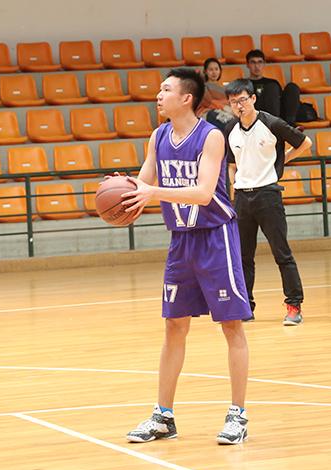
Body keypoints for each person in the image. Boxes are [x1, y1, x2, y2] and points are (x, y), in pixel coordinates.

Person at [121, 68, 252, 445]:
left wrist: (152, 193)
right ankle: (163, 417)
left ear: (186, 98)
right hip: (181, 240)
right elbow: (144, 181)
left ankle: (237, 416)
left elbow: (204, 193)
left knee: (231, 326)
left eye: (165, 90)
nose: (158, 95)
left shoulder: (211, 137)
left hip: (216, 238)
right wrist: (123, 190)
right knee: (174, 326)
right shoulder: (158, 135)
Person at [223, 79, 311, 325]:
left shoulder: (271, 123)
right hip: (242, 198)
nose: (238, 105)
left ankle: (294, 306)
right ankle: (245, 307)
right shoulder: (230, 128)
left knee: (281, 253)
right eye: (233, 102)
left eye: (242, 100)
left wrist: (281, 162)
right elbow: (232, 165)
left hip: (268, 195)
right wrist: (233, 193)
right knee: (243, 257)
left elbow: (306, 143)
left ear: (253, 99)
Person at [245, 49, 302, 125]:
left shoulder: (272, 82)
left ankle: (290, 124)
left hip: (278, 113)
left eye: (260, 62)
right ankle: (275, 124)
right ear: (247, 65)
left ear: (264, 64)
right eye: (253, 62)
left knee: (292, 87)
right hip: (258, 114)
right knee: (271, 87)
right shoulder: (244, 84)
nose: (257, 66)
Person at [197, 57, 235, 129]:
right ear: (205, 71)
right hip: (207, 113)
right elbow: (208, 102)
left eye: (216, 69)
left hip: (226, 112)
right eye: (211, 70)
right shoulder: (203, 86)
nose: (214, 72)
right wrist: (224, 107)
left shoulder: (225, 88)